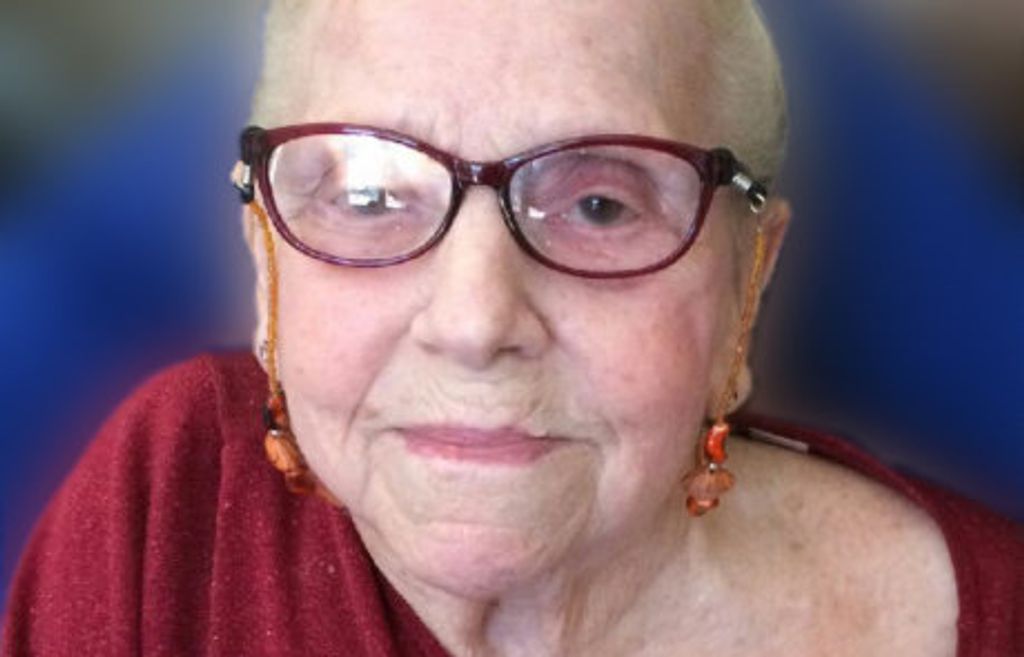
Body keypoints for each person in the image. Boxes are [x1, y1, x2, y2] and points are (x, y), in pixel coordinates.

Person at [3, 1, 1021, 655]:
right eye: (370, 195)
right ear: (267, 269)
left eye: (600, 205)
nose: (474, 322)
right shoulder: (170, 498)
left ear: (747, 287)